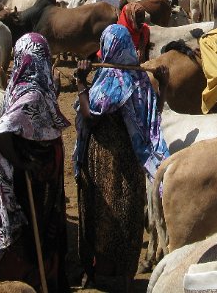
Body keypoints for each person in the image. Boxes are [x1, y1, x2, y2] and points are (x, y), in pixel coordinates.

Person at [73, 24, 169, 289]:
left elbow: (90, 117)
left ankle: (103, 274)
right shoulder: (139, 81)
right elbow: (152, 119)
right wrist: (163, 87)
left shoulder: (111, 81)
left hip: (104, 160)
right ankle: (125, 273)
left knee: (105, 214)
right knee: (128, 214)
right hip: (131, 164)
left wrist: (81, 83)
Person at [0, 33, 70, 292]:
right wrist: (22, 163)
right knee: (33, 233)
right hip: (31, 184)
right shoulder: (32, 94)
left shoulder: (21, 86)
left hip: (37, 178)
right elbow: (0, 131)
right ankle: (30, 280)